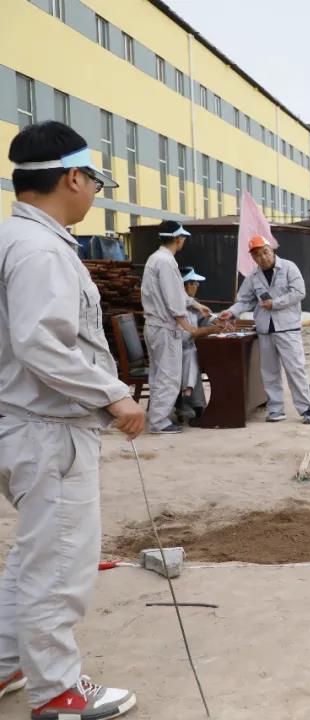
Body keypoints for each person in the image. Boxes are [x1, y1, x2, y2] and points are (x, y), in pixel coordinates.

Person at [0, 121, 142, 718]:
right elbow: (43, 344)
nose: (92, 195)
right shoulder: (41, 250)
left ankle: (8, 660)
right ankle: (56, 690)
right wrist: (114, 394)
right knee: (59, 562)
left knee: (35, 557)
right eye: (92, 182)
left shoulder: (15, 239)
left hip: (24, 424)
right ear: (73, 177)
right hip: (48, 429)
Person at [219, 236, 310, 424]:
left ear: (272, 250)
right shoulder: (253, 277)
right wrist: (230, 313)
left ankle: (306, 410)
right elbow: (245, 301)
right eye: (257, 255)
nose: (262, 257)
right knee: (269, 372)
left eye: (265, 252)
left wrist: (275, 303)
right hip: (265, 330)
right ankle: (276, 409)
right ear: (253, 258)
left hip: (287, 328)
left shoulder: (289, 267)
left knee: (295, 369)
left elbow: (299, 292)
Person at [140, 221, 215, 434]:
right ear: (178, 238)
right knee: (169, 376)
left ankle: (157, 417)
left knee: (158, 374)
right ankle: (159, 422)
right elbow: (173, 298)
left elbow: (178, 294)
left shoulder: (156, 258)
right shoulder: (165, 261)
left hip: (155, 325)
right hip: (164, 327)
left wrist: (197, 305)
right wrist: (188, 326)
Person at [178, 267, 212, 422]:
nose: (197, 285)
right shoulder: (176, 307)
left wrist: (218, 320)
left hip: (187, 350)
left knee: (193, 355)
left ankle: (190, 395)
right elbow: (186, 336)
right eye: (193, 282)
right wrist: (210, 329)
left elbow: (204, 319)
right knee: (192, 355)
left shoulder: (192, 305)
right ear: (184, 285)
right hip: (175, 350)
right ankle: (195, 405)